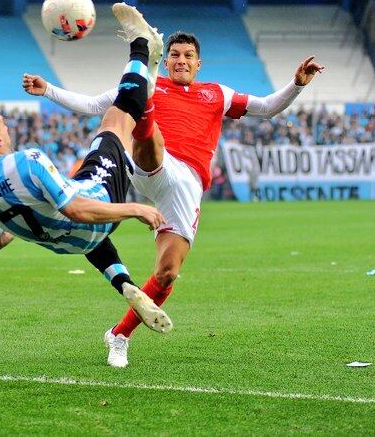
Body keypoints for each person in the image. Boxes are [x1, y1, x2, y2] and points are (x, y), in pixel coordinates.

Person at [24, 29, 323, 367]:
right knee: (149, 135)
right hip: (152, 162)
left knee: (167, 273)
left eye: (187, 56)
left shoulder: (217, 94)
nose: (181, 60)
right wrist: (47, 89)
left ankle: (119, 335)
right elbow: (95, 104)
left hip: (187, 184)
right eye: (175, 55)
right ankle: (146, 114)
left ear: (198, 63)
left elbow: (267, 108)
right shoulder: (154, 87)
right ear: (165, 61)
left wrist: (298, 84)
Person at [0, 3, 173, 337]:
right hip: (95, 209)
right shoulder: (27, 161)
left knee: (79, 211)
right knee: (116, 120)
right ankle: (141, 45)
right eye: (6, 126)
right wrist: (135, 209)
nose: (10, 130)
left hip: (71, 244)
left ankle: (126, 284)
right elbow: (77, 209)